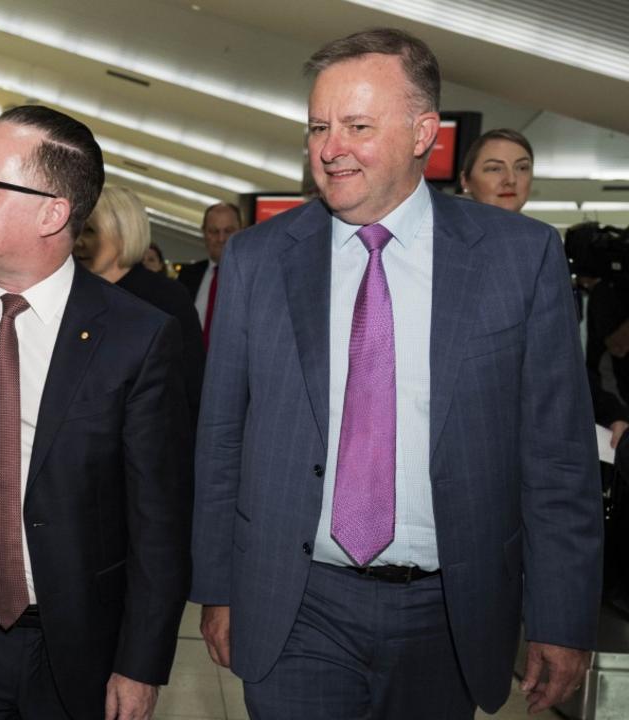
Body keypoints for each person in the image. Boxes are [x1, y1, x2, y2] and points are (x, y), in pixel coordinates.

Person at [191, 28, 602, 719]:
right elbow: (221, 436)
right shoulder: (260, 260)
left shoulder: (517, 259)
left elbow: (557, 456)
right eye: (319, 126)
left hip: (450, 611)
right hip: (298, 604)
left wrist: (562, 617)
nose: (330, 147)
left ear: (422, 133)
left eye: (356, 125)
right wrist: (217, 584)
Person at [0, 105, 191, 719]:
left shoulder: (137, 338)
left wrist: (140, 664)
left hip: (77, 648)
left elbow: (157, 522)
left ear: (53, 212)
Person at [75, 185, 204, 426]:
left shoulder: (166, 298)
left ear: (123, 234)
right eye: (77, 230)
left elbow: (190, 385)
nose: (79, 241)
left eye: (90, 231)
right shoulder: (73, 293)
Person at [177, 202, 242, 351]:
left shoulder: (254, 278)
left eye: (228, 231)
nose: (221, 239)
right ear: (204, 233)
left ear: (241, 231)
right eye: (213, 231)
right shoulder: (187, 276)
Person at [459, 128, 534, 213]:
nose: (511, 180)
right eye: (495, 169)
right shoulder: (446, 225)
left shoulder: (542, 227)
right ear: (465, 181)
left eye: (522, 168)